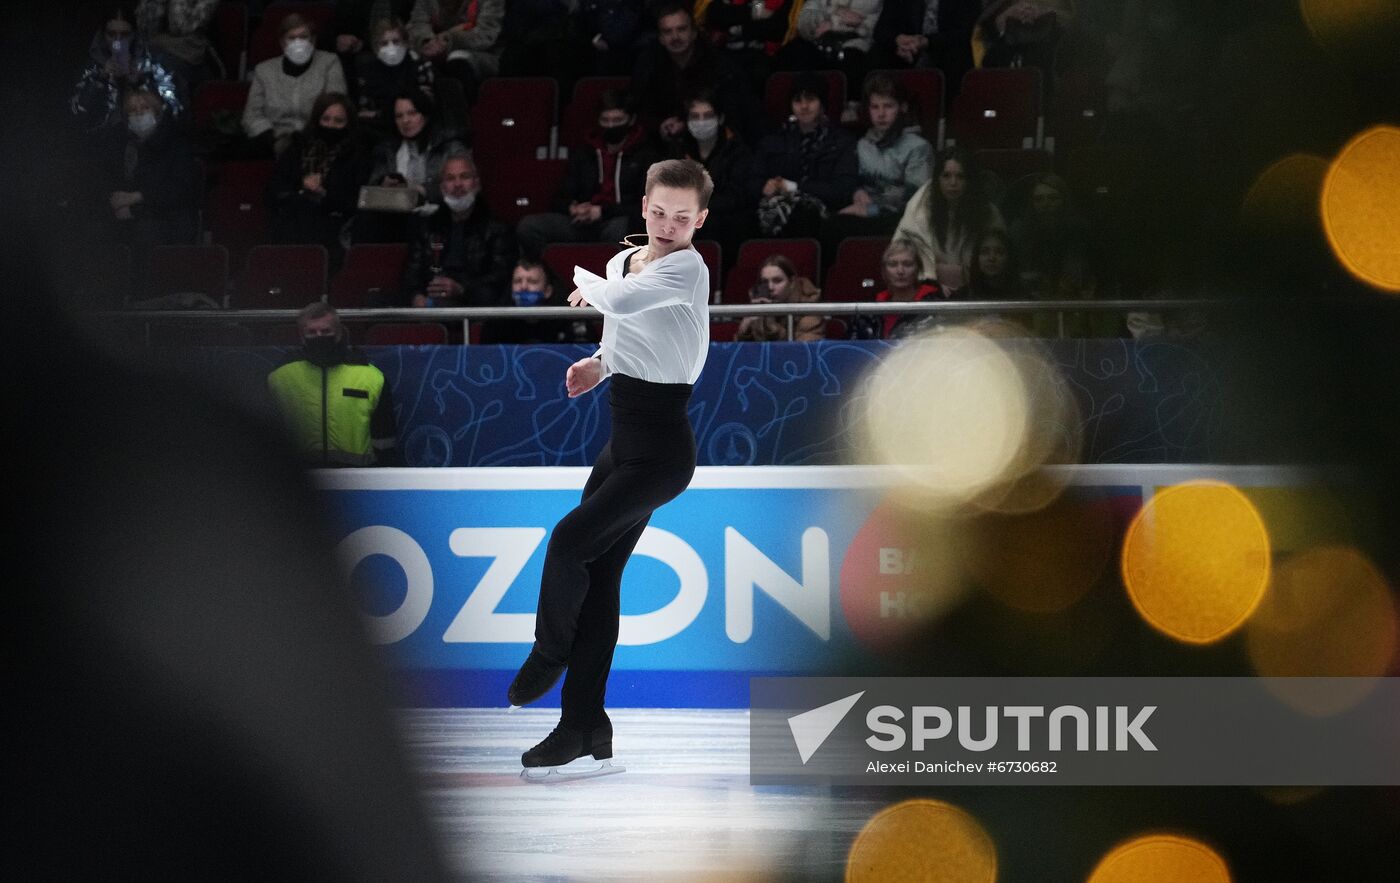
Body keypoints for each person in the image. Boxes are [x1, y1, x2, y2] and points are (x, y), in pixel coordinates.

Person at [507, 159, 714, 777]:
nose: (669, 225)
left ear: (700, 220)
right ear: (643, 205)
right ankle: (585, 725)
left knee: (570, 542)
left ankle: (550, 652)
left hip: (661, 454)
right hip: (622, 443)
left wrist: (586, 280)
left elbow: (618, 298)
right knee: (598, 579)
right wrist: (599, 363)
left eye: (683, 217)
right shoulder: (626, 262)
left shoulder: (687, 267)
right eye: (658, 212)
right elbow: (626, 325)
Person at [515, 89, 657, 260]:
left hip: (619, 221)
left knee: (620, 229)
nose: (611, 126)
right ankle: (554, 279)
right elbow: (560, 197)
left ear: (631, 120)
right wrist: (573, 207)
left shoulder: (646, 156)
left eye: (617, 120)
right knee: (529, 227)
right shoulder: (584, 153)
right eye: (606, 120)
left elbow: (646, 207)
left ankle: (615, 282)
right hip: (581, 222)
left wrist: (603, 212)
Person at [267, 303, 401, 467]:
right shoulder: (280, 377)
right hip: (299, 477)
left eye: (326, 331)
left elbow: (384, 437)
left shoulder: (371, 377)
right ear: (301, 336)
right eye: (311, 332)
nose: (319, 337)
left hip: (358, 478)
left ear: (338, 333)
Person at [820, 72, 933, 263]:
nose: (881, 114)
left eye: (888, 106)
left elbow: (914, 197)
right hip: (865, 213)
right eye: (875, 107)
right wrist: (856, 191)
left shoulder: (918, 147)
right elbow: (851, 179)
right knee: (830, 225)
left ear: (902, 107)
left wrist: (872, 210)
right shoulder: (862, 144)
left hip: (899, 217)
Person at [630, 2, 765, 147]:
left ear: (694, 33)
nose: (675, 37)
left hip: (716, 142)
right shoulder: (648, 64)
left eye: (681, 29)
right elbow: (639, 107)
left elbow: (736, 112)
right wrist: (659, 127)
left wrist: (689, 124)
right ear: (661, 38)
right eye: (668, 32)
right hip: (662, 146)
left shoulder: (719, 63)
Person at [748, 71, 859, 238]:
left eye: (810, 100)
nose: (804, 106)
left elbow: (842, 189)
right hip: (776, 209)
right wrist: (764, 186)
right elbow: (751, 180)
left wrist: (794, 187)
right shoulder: (774, 141)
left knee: (803, 215)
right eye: (798, 100)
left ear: (822, 104)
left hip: (824, 212)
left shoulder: (841, 141)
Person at [267, 92, 372, 263]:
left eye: (339, 121)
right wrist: (301, 184)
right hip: (293, 222)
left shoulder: (357, 155)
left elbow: (358, 200)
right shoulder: (298, 147)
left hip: (335, 227)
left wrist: (325, 195)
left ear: (349, 123)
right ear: (317, 119)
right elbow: (274, 189)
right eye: (326, 119)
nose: (331, 125)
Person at [400, 152, 515, 308]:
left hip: (473, 303)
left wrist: (462, 289)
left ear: (477, 184)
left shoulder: (498, 229)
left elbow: (501, 277)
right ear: (442, 188)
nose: (458, 184)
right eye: (450, 178)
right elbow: (411, 273)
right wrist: (416, 296)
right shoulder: (427, 227)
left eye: (464, 177)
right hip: (431, 300)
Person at [662, 88, 755, 269]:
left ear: (720, 118)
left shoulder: (736, 150)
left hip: (724, 220)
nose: (701, 122)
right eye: (695, 117)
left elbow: (736, 196)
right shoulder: (677, 150)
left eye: (708, 115)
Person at [101, 88, 199, 256]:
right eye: (132, 110)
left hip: (167, 216)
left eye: (145, 108)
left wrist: (136, 201)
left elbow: (179, 190)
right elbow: (109, 179)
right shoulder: (123, 143)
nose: (138, 114)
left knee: (146, 233)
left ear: (157, 112)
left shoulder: (176, 143)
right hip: (130, 211)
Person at [893, 145, 1004, 289]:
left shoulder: (988, 213)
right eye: (946, 176)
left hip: (977, 292)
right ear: (937, 179)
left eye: (960, 176)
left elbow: (1001, 261)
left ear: (969, 180)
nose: (953, 183)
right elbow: (898, 258)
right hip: (925, 292)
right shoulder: (917, 210)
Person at [243, 13, 349, 157]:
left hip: (320, 140)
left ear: (313, 40)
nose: (298, 42)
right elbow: (251, 116)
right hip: (273, 142)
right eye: (292, 38)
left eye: (303, 37)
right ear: (282, 42)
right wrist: (272, 139)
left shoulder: (329, 63)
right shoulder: (264, 70)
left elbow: (336, 105)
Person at [70, 8, 183, 138]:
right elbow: (78, 114)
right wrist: (100, 79)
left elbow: (176, 109)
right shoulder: (92, 66)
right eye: (111, 34)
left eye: (124, 35)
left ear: (134, 34)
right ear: (103, 34)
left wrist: (141, 84)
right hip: (102, 141)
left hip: (149, 140)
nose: (117, 41)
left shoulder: (152, 62)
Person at [851, 237, 954, 338]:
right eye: (893, 264)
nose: (900, 271)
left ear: (918, 269)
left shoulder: (935, 306)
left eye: (907, 264)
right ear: (884, 270)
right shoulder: (868, 310)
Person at [407, 0, 505, 104]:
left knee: (458, 60)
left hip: (482, 53)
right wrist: (426, 41)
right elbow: (418, 23)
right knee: (411, 58)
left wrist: (447, 40)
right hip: (434, 46)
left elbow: (486, 35)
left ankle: (461, 114)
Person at [351, 17, 436, 137]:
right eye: (384, 43)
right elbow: (365, 111)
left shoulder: (421, 67)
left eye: (396, 42)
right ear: (376, 47)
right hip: (379, 131)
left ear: (406, 42)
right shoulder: (367, 71)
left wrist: (380, 113)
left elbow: (423, 106)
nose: (391, 48)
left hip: (417, 129)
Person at [736, 255, 825, 342]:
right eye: (764, 282)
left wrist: (771, 326)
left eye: (777, 281)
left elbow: (801, 352)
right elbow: (742, 353)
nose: (770, 287)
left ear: (792, 282)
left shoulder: (810, 312)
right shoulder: (759, 305)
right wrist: (744, 333)